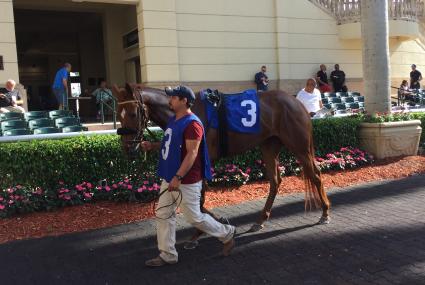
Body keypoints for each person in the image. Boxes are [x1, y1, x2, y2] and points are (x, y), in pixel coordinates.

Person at [141, 85, 236, 267]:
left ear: (184, 100)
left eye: (173, 98)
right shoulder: (175, 120)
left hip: (186, 180)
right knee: (163, 213)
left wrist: (178, 176)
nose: (169, 100)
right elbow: (172, 142)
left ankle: (227, 233)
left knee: (194, 218)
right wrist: (153, 146)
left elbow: (192, 153)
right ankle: (167, 254)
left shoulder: (192, 123)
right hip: (170, 176)